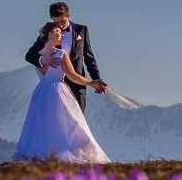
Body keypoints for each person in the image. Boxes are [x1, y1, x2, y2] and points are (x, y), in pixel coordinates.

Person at [14, 22, 111, 163]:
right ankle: (65, 152)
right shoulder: (60, 54)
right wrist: (91, 83)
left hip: (41, 92)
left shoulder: (39, 56)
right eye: (58, 32)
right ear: (49, 34)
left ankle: (48, 154)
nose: (61, 35)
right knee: (64, 124)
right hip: (57, 92)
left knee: (45, 125)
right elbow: (74, 76)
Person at [25, 1, 106, 112]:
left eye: (62, 21)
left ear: (68, 16)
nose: (60, 25)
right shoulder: (48, 33)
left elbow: (89, 57)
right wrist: (42, 59)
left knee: (76, 123)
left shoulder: (81, 30)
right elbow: (29, 55)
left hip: (77, 86)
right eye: (56, 22)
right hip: (54, 90)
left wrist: (96, 80)